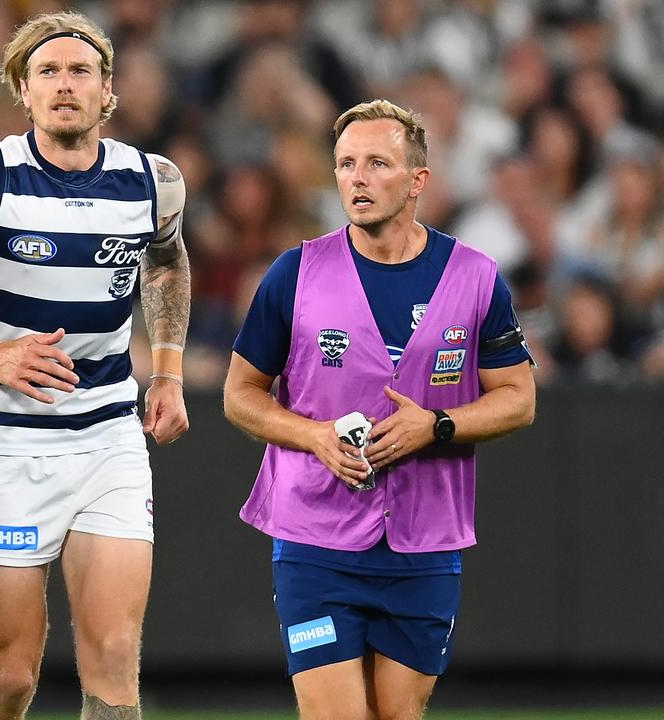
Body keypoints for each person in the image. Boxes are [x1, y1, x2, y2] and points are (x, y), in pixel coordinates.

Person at [0, 11, 190, 720]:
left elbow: (168, 263)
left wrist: (167, 371)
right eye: (46, 72)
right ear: (23, 90)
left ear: (107, 90)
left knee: (113, 656)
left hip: (110, 436)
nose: (64, 84)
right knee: (12, 675)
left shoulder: (154, 181)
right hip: (10, 441)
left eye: (80, 70)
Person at [223, 99, 536, 720]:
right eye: (344, 164)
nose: (357, 178)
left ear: (418, 180)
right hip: (316, 539)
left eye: (376, 163)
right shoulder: (295, 274)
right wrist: (313, 437)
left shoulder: (476, 279)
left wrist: (438, 425)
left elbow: (519, 399)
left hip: (424, 545)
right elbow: (240, 394)